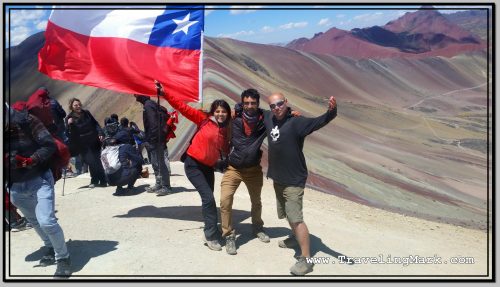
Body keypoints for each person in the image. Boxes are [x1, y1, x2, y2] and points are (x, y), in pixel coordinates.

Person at [263, 92, 337, 276]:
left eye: (280, 104)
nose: (276, 108)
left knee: (296, 218)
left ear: (286, 102)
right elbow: (251, 111)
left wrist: (331, 111)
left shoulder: (297, 122)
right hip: (278, 178)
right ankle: (296, 238)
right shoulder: (268, 118)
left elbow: (320, 121)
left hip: (293, 180)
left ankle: (306, 259)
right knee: (288, 214)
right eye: (273, 105)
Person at [158, 81, 231, 251]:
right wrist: (165, 93)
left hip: (208, 167)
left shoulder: (227, 128)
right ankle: (210, 235)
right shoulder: (203, 120)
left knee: (209, 199)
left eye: (223, 111)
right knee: (209, 199)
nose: (220, 114)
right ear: (213, 112)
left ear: (227, 113)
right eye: (217, 111)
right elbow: (183, 108)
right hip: (193, 165)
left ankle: (211, 228)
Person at [5, 104, 72, 277]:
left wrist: (30, 160)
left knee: (46, 221)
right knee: (34, 221)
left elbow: (49, 145)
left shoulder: (28, 121)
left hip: (39, 178)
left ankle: (63, 258)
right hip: (16, 185)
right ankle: (50, 246)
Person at [220, 89, 270, 255]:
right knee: (225, 200)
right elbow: (215, 114)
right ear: (242, 103)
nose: (250, 106)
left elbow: (281, 113)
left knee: (256, 201)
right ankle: (229, 235)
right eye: (246, 103)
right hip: (233, 169)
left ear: (258, 103)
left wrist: (292, 112)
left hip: (254, 170)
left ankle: (257, 228)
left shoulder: (265, 119)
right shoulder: (234, 119)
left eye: (253, 103)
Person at [134, 94, 172, 196]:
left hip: (156, 139)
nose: (134, 96)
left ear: (141, 95)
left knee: (160, 162)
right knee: (155, 162)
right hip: (155, 138)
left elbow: (153, 124)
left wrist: (153, 140)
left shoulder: (148, 106)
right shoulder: (149, 104)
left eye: (136, 94)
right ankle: (159, 184)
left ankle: (166, 186)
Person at [65, 98, 107, 188]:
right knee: (91, 161)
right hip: (82, 143)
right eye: (76, 105)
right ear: (71, 107)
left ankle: (100, 180)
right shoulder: (69, 118)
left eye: (79, 104)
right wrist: (69, 124)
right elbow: (69, 134)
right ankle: (97, 179)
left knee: (97, 160)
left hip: (94, 140)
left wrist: (100, 133)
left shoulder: (86, 113)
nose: (78, 106)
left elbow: (95, 123)